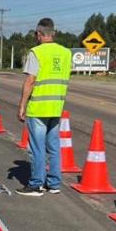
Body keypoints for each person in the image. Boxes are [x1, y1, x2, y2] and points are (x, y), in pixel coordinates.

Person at [15, 18, 72, 197]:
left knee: (37, 148)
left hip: (39, 107)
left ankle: (36, 184)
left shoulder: (36, 52)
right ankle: (54, 183)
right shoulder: (65, 53)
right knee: (54, 147)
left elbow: (30, 80)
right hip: (56, 106)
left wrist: (22, 105)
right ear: (53, 33)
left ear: (38, 34)